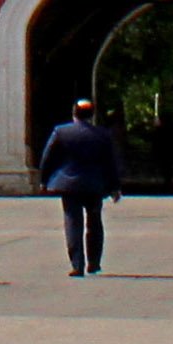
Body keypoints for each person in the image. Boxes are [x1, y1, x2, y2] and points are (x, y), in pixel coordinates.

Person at [39, 95, 125, 277]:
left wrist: (44, 180)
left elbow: (48, 158)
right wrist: (114, 187)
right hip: (94, 185)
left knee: (73, 222)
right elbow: (110, 163)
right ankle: (94, 263)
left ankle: (77, 264)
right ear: (91, 115)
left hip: (68, 185)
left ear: (74, 114)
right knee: (94, 222)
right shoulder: (102, 135)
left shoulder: (61, 132)